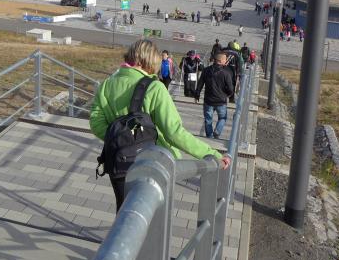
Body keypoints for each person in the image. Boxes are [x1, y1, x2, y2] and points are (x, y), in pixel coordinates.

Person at [90, 40, 231, 210]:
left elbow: (96, 123)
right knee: (153, 216)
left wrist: (121, 139)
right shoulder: (154, 88)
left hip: (118, 162)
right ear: (150, 62)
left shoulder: (106, 84)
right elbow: (174, 133)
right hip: (154, 164)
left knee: (125, 214)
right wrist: (211, 153)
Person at [194, 53, 235, 139]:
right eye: (225, 59)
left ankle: (209, 136)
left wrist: (197, 95)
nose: (226, 61)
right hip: (221, 101)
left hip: (208, 100)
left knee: (208, 120)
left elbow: (200, 84)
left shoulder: (206, 70)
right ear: (221, 61)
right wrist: (228, 94)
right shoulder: (226, 73)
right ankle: (217, 131)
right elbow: (231, 89)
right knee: (222, 118)